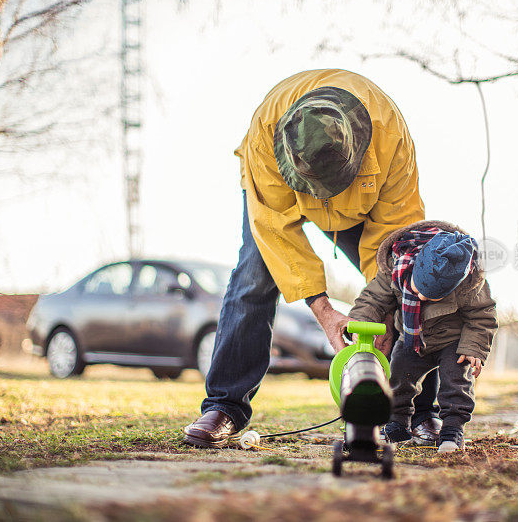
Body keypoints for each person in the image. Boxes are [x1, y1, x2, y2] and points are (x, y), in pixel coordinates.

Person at [183, 69, 441, 448]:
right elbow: (276, 232)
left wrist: (383, 309)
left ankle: (421, 411)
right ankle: (225, 406)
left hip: (366, 206)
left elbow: (393, 240)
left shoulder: (390, 137)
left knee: (410, 279)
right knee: (253, 277)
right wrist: (323, 310)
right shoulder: (264, 134)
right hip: (279, 201)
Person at [349, 220, 497, 452]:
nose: (421, 298)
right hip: (411, 336)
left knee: (456, 381)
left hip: (452, 341)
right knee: (398, 376)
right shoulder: (396, 267)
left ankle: (452, 429)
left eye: (431, 296)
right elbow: (372, 299)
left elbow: (482, 316)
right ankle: (396, 423)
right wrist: (360, 322)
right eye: (418, 290)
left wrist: (474, 348)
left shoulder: (469, 283)